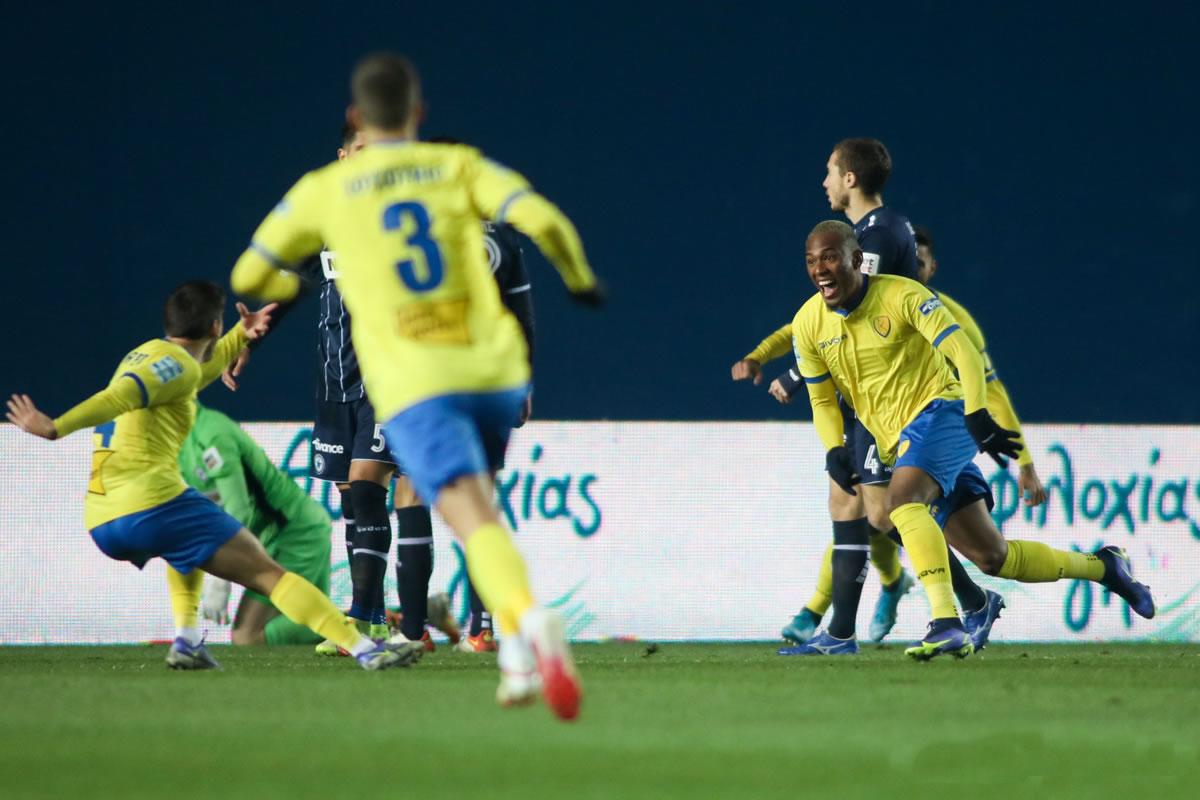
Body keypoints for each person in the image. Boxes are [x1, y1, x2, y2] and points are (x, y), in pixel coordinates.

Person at [229, 53, 602, 720]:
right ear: (420, 114)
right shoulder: (459, 167)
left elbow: (252, 275)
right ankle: (514, 657)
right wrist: (580, 281)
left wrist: (286, 286)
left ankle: (524, 626)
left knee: (466, 512)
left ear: (355, 118)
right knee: (480, 508)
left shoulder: (329, 188)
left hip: (419, 378)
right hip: (494, 369)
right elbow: (544, 222)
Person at [5, 281, 422, 671]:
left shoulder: (155, 355)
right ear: (214, 323)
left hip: (102, 518)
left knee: (183, 545)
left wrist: (242, 335)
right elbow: (120, 395)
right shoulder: (168, 371)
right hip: (150, 504)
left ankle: (187, 640)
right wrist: (56, 426)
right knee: (267, 574)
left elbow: (196, 373)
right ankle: (366, 649)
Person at [789, 220, 1154, 659]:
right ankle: (1105, 567)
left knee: (900, 503)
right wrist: (833, 448)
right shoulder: (808, 323)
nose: (820, 269)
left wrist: (977, 413)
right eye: (811, 261)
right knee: (992, 557)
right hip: (899, 441)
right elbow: (823, 401)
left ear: (854, 259)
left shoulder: (902, 295)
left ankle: (945, 622)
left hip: (943, 413)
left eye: (829, 257)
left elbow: (961, 349)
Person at [731, 139, 922, 648]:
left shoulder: (875, 236)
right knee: (847, 505)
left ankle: (964, 586)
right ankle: (842, 626)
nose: (824, 183)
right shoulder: (870, 232)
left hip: (885, 396)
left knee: (880, 513)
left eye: (830, 173)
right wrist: (767, 356)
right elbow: (817, 319)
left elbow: (852, 318)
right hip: (863, 392)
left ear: (850, 179)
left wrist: (794, 376)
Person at [176, 400, 333, 646]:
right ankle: (352, 622)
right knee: (296, 617)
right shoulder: (171, 441)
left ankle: (356, 623)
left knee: (247, 637)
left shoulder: (212, 434)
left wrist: (219, 582)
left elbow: (239, 510)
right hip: (274, 535)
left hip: (294, 532)